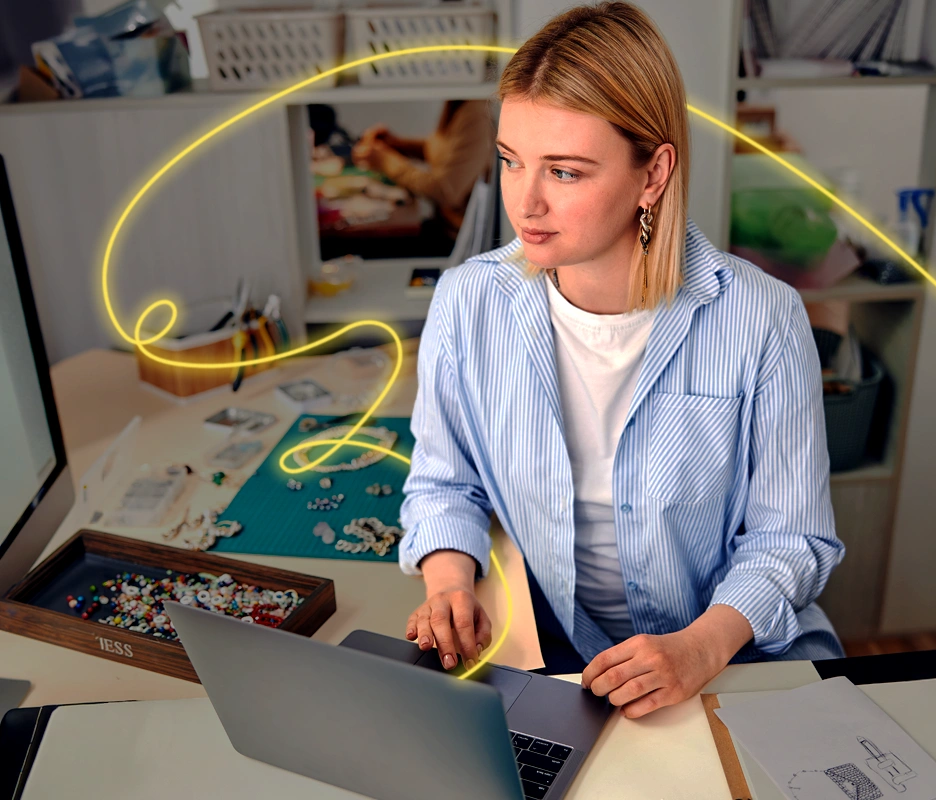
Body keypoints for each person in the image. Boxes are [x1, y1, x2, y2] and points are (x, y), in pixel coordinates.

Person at [398, 1, 846, 720]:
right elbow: (444, 483)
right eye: (511, 161)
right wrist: (449, 581)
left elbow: (791, 540)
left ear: (653, 173)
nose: (526, 201)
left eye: (566, 172)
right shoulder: (466, 301)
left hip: (731, 662)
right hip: (561, 662)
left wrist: (699, 648)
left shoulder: (761, 318)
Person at [351, 99, 496, 246]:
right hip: (444, 222)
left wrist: (385, 161)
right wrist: (398, 145)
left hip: (460, 236)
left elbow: (445, 192)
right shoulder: (457, 102)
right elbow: (448, 153)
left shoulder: (476, 115)